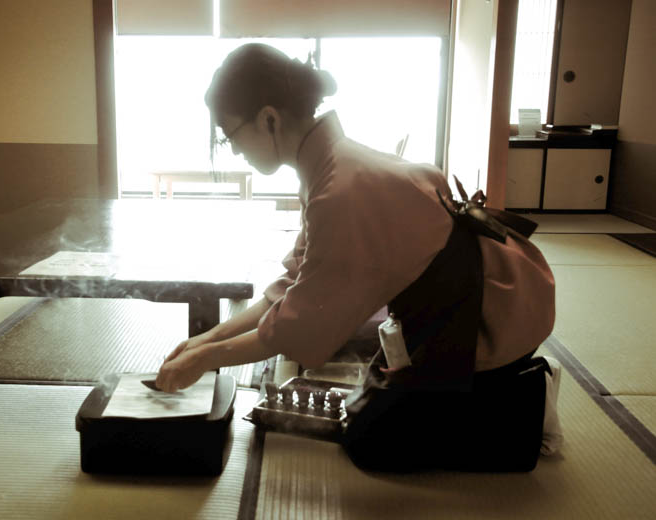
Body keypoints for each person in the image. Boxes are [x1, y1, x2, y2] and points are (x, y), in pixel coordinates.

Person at [154, 44, 556, 433]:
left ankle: (526, 400)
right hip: (449, 299)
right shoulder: (327, 167)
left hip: (493, 312)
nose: (234, 151)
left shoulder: (338, 187)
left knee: (371, 440)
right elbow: (292, 287)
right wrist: (208, 340)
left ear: (269, 119)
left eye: (230, 135)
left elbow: (301, 325)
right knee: (365, 409)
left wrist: (206, 358)